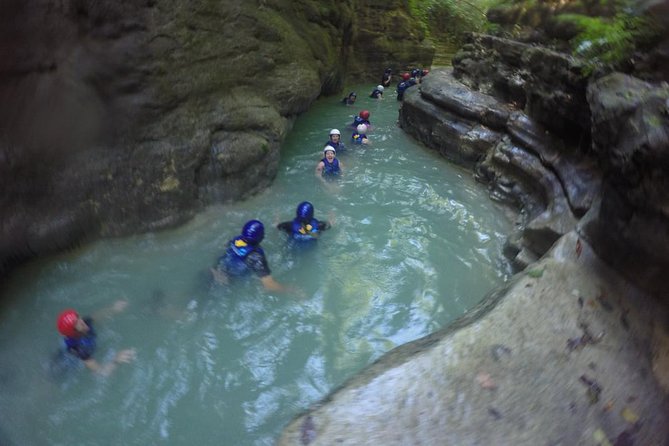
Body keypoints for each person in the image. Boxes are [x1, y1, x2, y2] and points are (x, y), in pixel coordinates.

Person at [55, 300, 136, 376]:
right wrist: (116, 360)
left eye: (78, 317)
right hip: (65, 367)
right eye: (76, 323)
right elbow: (100, 372)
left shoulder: (84, 323)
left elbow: (97, 316)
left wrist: (113, 309)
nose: (82, 322)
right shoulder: (78, 348)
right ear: (73, 332)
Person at [211, 220, 292, 293]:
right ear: (261, 237)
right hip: (227, 282)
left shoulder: (236, 240)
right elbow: (269, 286)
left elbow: (225, 248)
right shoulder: (256, 257)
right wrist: (291, 290)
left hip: (214, 271)